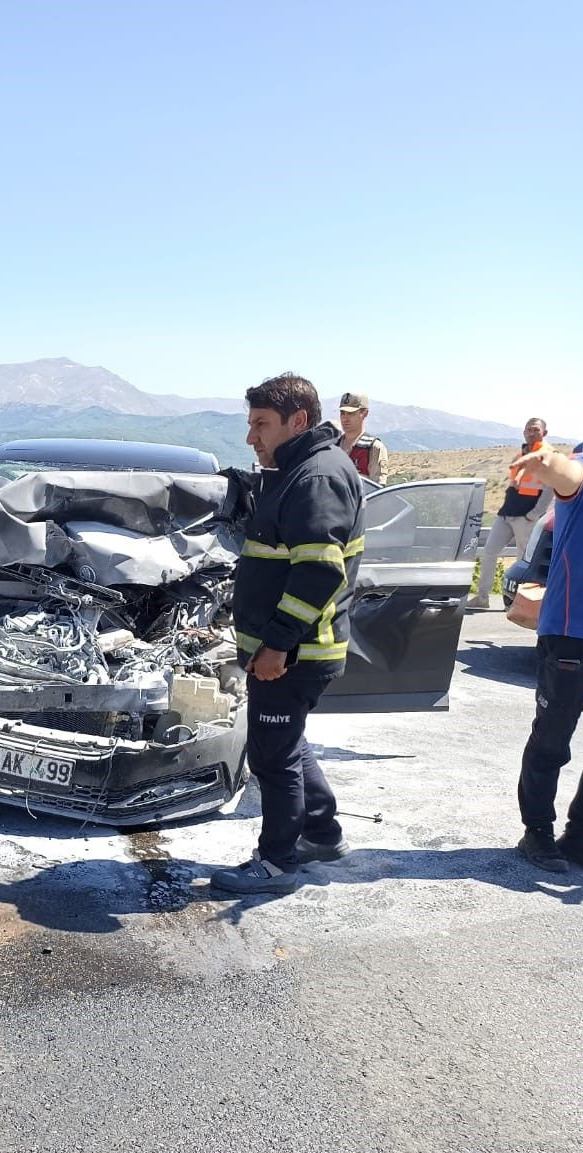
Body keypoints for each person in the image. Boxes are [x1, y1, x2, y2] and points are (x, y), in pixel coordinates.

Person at [210, 372, 365, 896]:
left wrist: (278, 643)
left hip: (295, 651)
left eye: (261, 424)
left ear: (297, 421)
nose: (252, 437)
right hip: (293, 647)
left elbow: (320, 571)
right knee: (288, 743)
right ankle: (321, 832)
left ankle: (276, 863)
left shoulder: (315, 477)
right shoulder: (304, 469)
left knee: (272, 757)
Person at [512, 438, 583, 873]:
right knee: (552, 739)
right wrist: (546, 462)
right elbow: (569, 475)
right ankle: (537, 833)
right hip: (573, 634)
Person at [468, 417, 551, 612]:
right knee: (489, 551)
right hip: (506, 514)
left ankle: (517, 604)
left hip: (527, 517)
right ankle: (482, 597)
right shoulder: (521, 454)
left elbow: (549, 489)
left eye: (535, 430)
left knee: (522, 559)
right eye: (528, 430)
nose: (531, 433)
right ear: (524, 432)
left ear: (544, 433)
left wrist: (535, 514)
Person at [338, 392, 388, 484]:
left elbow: (377, 489)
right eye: (342, 413)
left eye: (350, 413)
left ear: (364, 413)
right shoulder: (333, 446)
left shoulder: (374, 448)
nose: (345, 418)